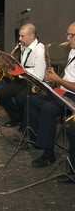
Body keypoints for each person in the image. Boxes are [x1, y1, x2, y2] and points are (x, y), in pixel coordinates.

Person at [25, 22, 75, 167]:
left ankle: (48, 154)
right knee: (33, 100)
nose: (67, 38)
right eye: (67, 34)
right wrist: (53, 79)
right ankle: (36, 140)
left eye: (72, 35)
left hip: (72, 95)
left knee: (48, 108)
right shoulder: (72, 50)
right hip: (64, 90)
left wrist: (57, 80)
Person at [0, 23, 46, 127]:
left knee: (21, 98)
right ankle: (16, 117)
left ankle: (25, 122)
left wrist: (22, 72)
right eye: (19, 35)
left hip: (33, 82)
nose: (19, 39)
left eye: (22, 36)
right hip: (22, 78)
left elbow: (40, 76)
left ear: (32, 36)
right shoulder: (24, 46)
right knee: (0, 94)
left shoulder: (40, 50)